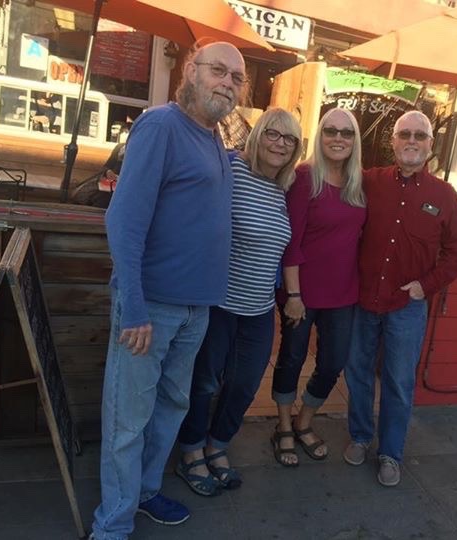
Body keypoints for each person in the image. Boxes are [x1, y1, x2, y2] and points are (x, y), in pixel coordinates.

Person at [89, 41, 246, 540]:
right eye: (218, 70)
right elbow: (125, 220)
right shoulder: (160, 125)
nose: (227, 82)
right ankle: (111, 526)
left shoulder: (215, 136)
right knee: (128, 420)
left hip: (195, 309)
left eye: (237, 77)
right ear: (191, 72)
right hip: (149, 308)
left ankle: (145, 492)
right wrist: (133, 307)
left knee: (169, 409)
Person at [176, 107, 302, 495]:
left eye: (290, 139)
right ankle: (191, 450)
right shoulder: (230, 169)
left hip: (260, 309)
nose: (281, 144)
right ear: (258, 135)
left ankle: (218, 446)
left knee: (246, 385)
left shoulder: (285, 186)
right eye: (273, 135)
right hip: (219, 302)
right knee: (205, 382)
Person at [343, 110, 457, 487]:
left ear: (430, 145)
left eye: (420, 136)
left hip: (407, 306)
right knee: (358, 373)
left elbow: (455, 253)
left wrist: (423, 287)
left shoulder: (444, 195)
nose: (412, 141)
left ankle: (390, 453)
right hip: (364, 299)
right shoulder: (369, 181)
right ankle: (361, 436)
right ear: (393, 142)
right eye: (405, 135)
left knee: (398, 381)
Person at [271, 108, 366, 467]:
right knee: (292, 358)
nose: (338, 138)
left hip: (343, 294)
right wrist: (293, 296)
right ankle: (282, 427)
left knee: (333, 362)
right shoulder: (305, 177)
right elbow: (291, 242)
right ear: (320, 135)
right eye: (331, 130)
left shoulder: (359, 183)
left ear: (355, 140)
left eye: (346, 132)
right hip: (302, 292)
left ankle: (303, 421)